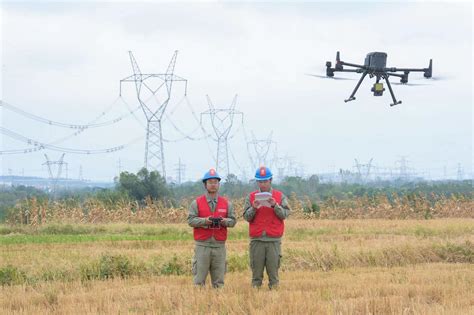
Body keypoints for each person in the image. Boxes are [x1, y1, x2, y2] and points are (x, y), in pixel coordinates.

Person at [187, 168, 236, 288]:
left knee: (219, 282)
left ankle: (218, 304)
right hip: (202, 245)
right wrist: (205, 221)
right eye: (210, 182)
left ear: (219, 184)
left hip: (219, 246)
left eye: (215, 182)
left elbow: (233, 221)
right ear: (205, 184)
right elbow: (190, 220)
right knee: (199, 281)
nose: (213, 185)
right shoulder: (196, 203)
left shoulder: (226, 203)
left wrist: (224, 221)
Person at [243, 166, 290, 289]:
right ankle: (255, 297)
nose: (262, 184)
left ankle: (274, 299)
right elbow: (247, 217)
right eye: (260, 181)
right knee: (256, 275)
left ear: (270, 180)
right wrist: (253, 208)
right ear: (257, 182)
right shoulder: (251, 197)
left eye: (265, 181)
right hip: (257, 240)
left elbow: (285, 214)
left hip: (273, 240)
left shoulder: (280, 196)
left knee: (273, 275)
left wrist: (275, 205)